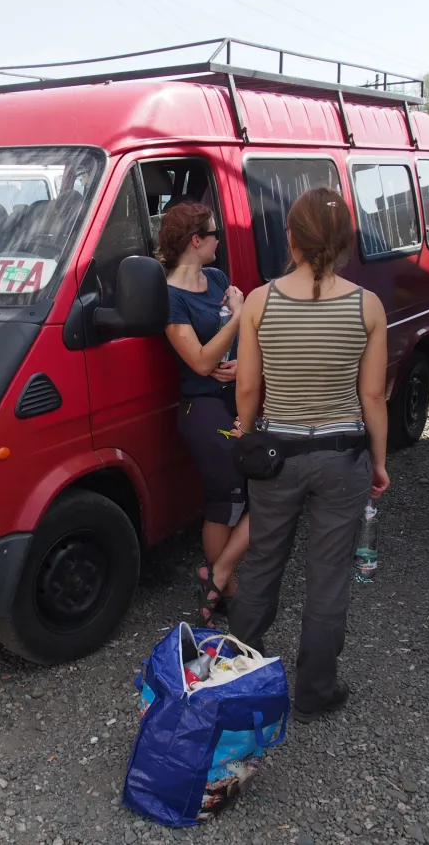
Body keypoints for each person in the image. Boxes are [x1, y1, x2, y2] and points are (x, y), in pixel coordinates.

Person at [227, 187, 390, 723]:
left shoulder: (259, 301)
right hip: (342, 459)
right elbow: (372, 397)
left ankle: (236, 676)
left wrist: (246, 434)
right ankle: (316, 691)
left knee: (261, 565)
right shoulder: (367, 306)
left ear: (291, 239)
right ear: (346, 242)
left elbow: (248, 387)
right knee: (328, 576)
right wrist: (381, 462)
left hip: (277, 455)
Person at [159, 201, 249, 628]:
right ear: (197, 241)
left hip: (234, 396)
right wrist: (238, 316)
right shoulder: (170, 297)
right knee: (225, 500)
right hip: (201, 405)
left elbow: (235, 348)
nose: (219, 241)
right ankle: (225, 588)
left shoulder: (216, 279)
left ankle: (217, 576)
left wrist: (241, 361)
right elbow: (197, 360)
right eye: (214, 234)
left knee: (260, 488)